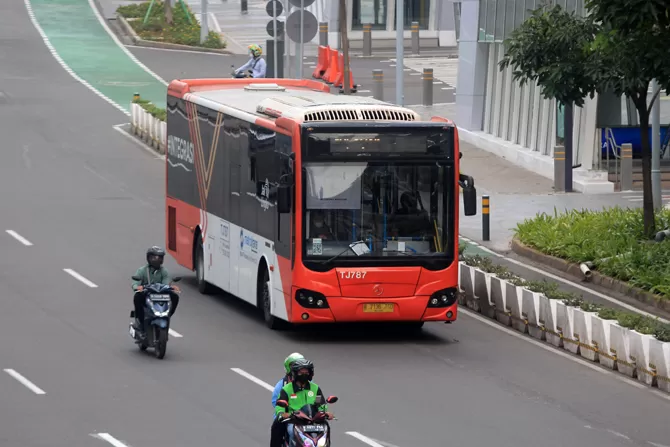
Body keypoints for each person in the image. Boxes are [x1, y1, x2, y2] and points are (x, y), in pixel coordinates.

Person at [274, 358, 333, 446]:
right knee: (277, 427)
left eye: (306, 372)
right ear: (295, 373)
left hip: (313, 420)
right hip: (294, 420)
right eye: (301, 372)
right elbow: (280, 405)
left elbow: (320, 404)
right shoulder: (287, 389)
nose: (304, 374)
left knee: (326, 427)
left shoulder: (315, 388)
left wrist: (325, 412)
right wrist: (282, 413)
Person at [132, 246, 180, 333]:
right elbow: (135, 282)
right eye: (154, 257)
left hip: (160, 294)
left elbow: (166, 282)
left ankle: (167, 316)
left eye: (159, 257)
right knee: (137, 297)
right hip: (146, 294)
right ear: (148, 258)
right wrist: (137, 287)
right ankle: (141, 322)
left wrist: (171, 287)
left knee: (175, 297)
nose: (157, 260)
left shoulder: (164, 271)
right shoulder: (142, 270)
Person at [270, 353, 305, 447]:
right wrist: (284, 412)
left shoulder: (311, 384)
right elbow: (275, 402)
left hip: (306, 416)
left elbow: (317, 399)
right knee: (277, 427)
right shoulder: (282, 385)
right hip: (288, 416)